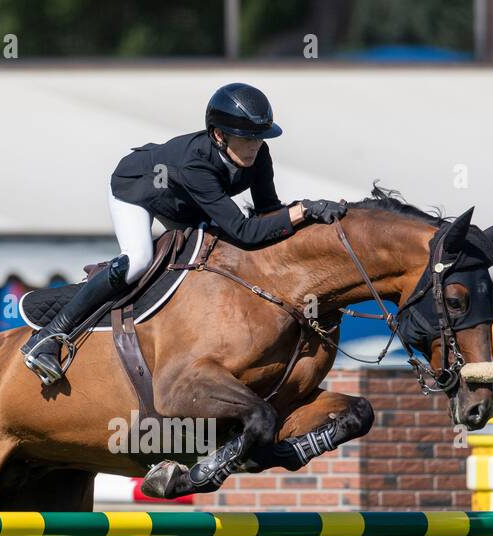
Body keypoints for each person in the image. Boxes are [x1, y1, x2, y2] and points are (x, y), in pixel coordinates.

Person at [21, 82, 347, 386]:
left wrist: (311, 215)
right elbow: (245, 231)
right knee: (138, 261)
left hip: (186, 201)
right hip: (138, 187)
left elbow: (266, 212)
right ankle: (49, 337)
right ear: (219, 135)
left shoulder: (259, 155)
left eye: (260, 138)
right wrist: (303, 209)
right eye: (246, 139)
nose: (255, 147)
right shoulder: (196, 164)